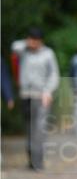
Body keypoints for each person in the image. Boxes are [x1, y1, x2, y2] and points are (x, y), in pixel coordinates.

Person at [18, 28, 59, 170]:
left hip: (41, 96)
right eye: (30, 39)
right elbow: (14, 46)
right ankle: (31, 159)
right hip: (25, 95)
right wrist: (27, 43)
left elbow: (54, 74)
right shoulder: (24, 51)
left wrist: (48, 91)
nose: (32, 43)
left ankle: (38, 161)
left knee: (39, 129)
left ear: (40, 41)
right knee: (29, 128)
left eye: (34, 40)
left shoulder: (48, 54)